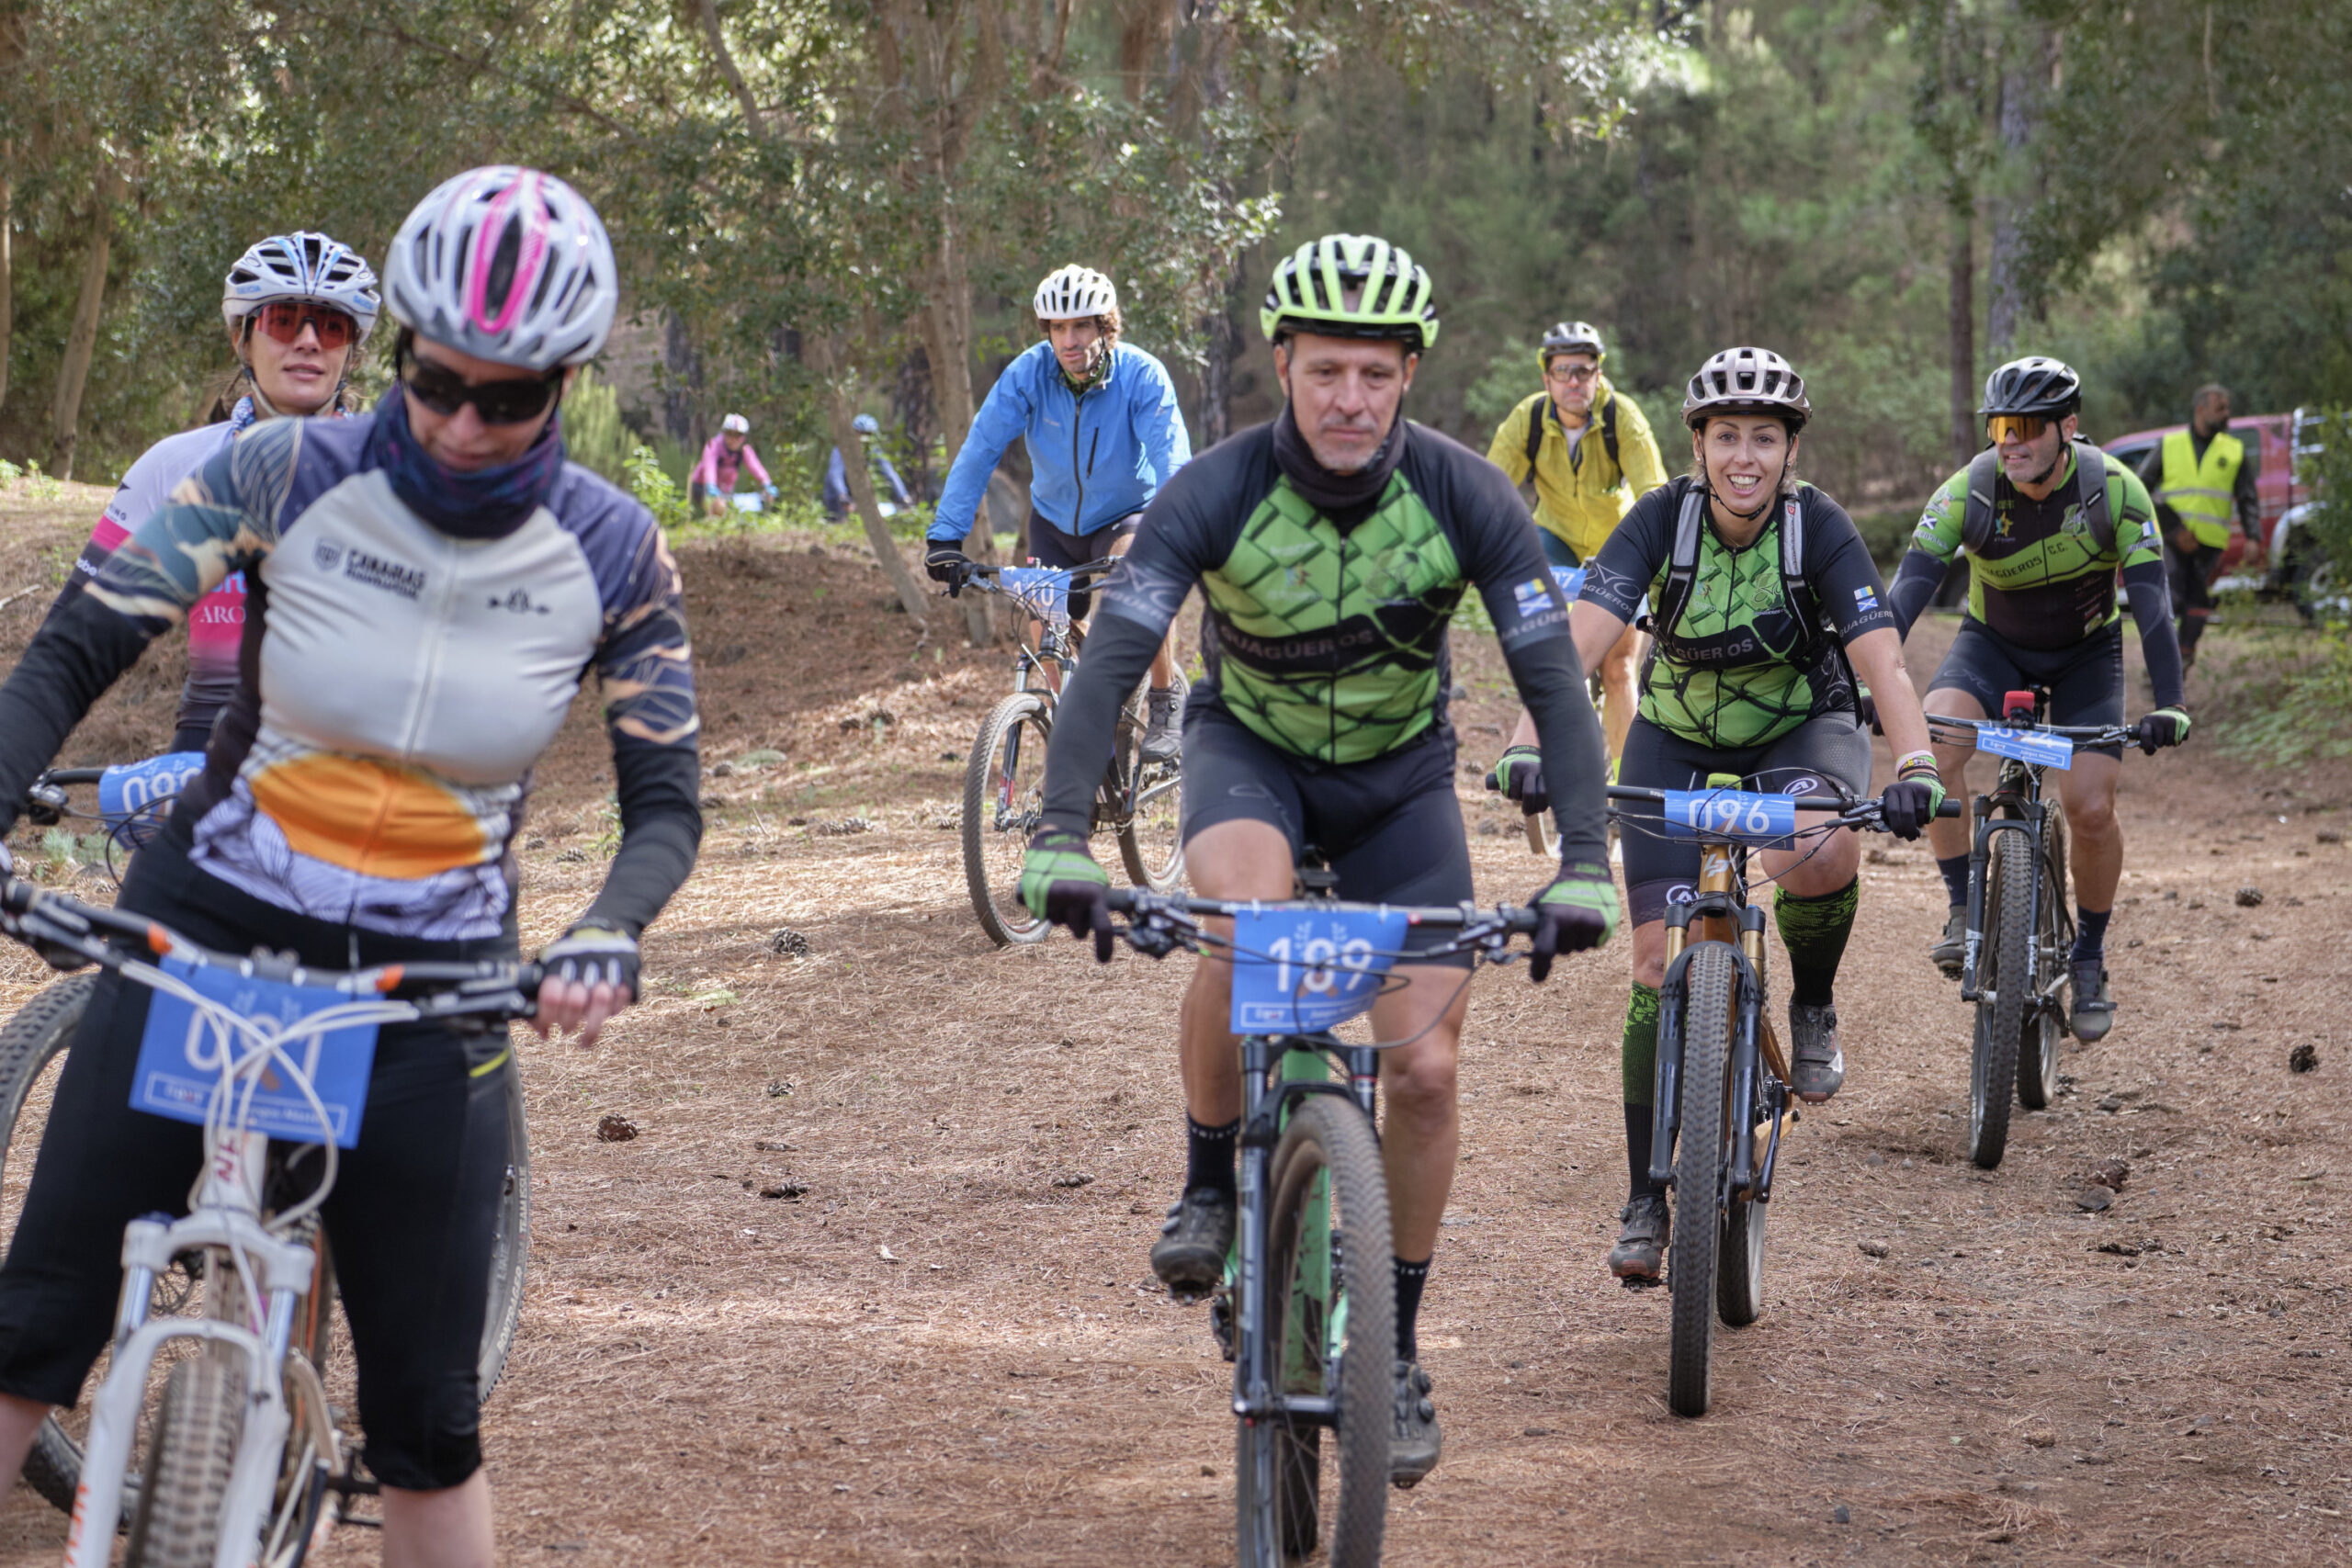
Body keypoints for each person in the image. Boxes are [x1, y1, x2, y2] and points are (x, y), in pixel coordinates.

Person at [0, 165, 700, 1568]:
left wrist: (608, 927)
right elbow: (77, 644)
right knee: (28, 1333)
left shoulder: (615, 549)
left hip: (425, 989)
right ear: (403, 354)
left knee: (431, 1424)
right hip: (205, 927)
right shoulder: (282, 469)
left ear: (563, 384)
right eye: (437, 381)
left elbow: (665, 800)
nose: (459, 422)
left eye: (507, 399)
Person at [1013, 233, 1618, 1486]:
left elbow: (1555, 679)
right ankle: (1202, 1185)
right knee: (1242, 922)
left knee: (1431, 1065)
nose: (1352, 399)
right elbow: (1117, 658)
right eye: (1328, 370)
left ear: (1410, 376)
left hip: (1401, 783)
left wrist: (1587, 859)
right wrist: (1060, 835)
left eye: (1378, 374)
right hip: (1256, 761)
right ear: (1284, 363)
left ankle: (1390, 1344)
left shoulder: (1463, 493)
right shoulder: (1213, 491)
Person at [1518, 345, 1945, 1283]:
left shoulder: (1817, 528)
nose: (1742, 456)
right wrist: (1527, 739)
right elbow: (1576, 644)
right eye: (1725, 436)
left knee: (1818, 850)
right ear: (1698, 445)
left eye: (1763, 437)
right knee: (1645, 962)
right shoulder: (1659, 521)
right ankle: (1643, 1197)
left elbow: (1882, 664)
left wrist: (1914, 760)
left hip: (1800, 729)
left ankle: (1814, 1000)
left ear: (1789, 449)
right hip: (1674, 734)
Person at [1886, 355, 2188, 1038]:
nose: (2009, 441)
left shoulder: (2115, 491)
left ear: (2068, 428)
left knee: (2088, 805)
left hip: (2088, 654)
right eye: (1999, 425)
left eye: (2025, 425)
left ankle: (2088, 956)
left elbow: (2153, 607)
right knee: (1934, 751)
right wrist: (1865, 684)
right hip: (1992, 645)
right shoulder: (1970, 491)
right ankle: (1964, 907)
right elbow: (1903, 596)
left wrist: (2168, 700)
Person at [46, 231, 380, 753]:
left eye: (332, 327)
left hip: (346, 777)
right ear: (241, 338)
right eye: (284, 321)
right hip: (201, 765)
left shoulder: (392, 473)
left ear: (352, 352)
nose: (309, 341)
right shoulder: (174, 465)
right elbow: (69, 638)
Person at [924, 265, 1193, 762]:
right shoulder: (1029, 373)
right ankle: (1075, 730)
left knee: (1136, 584)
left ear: (1105, 326)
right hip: (1052, 523)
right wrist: (946, 535)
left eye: (1082, 326)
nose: (1069, 341)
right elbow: (981, 448)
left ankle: (1163, 697)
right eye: (1057, 328)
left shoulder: (1141, 375)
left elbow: (1171, 456)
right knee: (1040, 623)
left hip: (1126, 515)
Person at [1485, 320, 1667, 765]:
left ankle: (1626, 795)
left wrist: (1661, 564)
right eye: (1563, 371)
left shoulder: (1622, 418)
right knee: (1553, 660)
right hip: (1554, 538)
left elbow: (1656, 497)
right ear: (1546, 377)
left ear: (1598, 374)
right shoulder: (1526, 420)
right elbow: (1487, 493)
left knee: (1619, 668)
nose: (1573, 381)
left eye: (1583, 371)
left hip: (1620, 544)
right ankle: (1552, 761)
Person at [2139, 382, 2257, 671]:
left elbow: (2247, 497)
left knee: (2198, 606)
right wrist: (2175, 529)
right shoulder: (2169, 444)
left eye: (2227, 409)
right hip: (2171, 539)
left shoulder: (2234, 450)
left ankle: (2181, 661)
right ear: (2200, 410)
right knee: (2171, 596)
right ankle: (2159, 662)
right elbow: (2140, 489)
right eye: (2221, 409)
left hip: (2210, 546)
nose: (2227, 415)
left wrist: (2254, 537)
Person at [823, 412, 912, 521]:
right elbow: (835, 474)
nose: (863, 437)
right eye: (860, 433)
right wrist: (842, 495)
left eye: (868, 434)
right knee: (838, 523)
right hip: (837, 495)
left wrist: (904, 497)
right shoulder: (842, 450)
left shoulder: (873, 451)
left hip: (856, 495)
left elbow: (890, 473)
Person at [689, 412, 777, 516]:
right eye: (730, 434)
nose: (734, 439)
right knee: (719, 508)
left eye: (738, 435)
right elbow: (709, 469)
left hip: (725, 491)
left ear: (743, 437)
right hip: (703, 488)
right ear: (724, 433)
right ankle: (712, 523)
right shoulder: (713, 446)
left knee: (763, 498)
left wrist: (767, 484)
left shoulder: (744, 450)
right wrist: (711, 487)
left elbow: (756, 468)